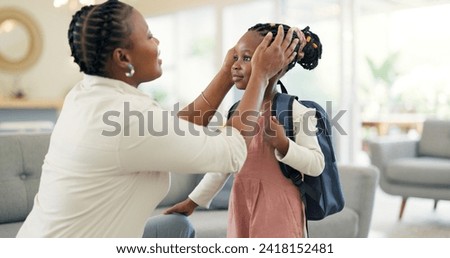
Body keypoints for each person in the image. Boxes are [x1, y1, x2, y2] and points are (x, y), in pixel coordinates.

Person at [15, 1, 299, 238]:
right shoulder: (128, 118)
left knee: (176, 228)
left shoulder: (87, 95)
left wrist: (227, 72)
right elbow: (233, 151)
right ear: (123, 57)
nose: (157, 41)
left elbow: (175, 129)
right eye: (149, 35)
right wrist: (259, 75)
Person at [165, 23, 325, 238]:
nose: (236, 66)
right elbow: (223, 164)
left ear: (278, 65)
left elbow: (316, 164)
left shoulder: (295, 111)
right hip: (241, 204)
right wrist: (192, 202)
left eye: (247, 58)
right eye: (235, 57)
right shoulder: (237, 113)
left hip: (279, 208)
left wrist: (283, 144)